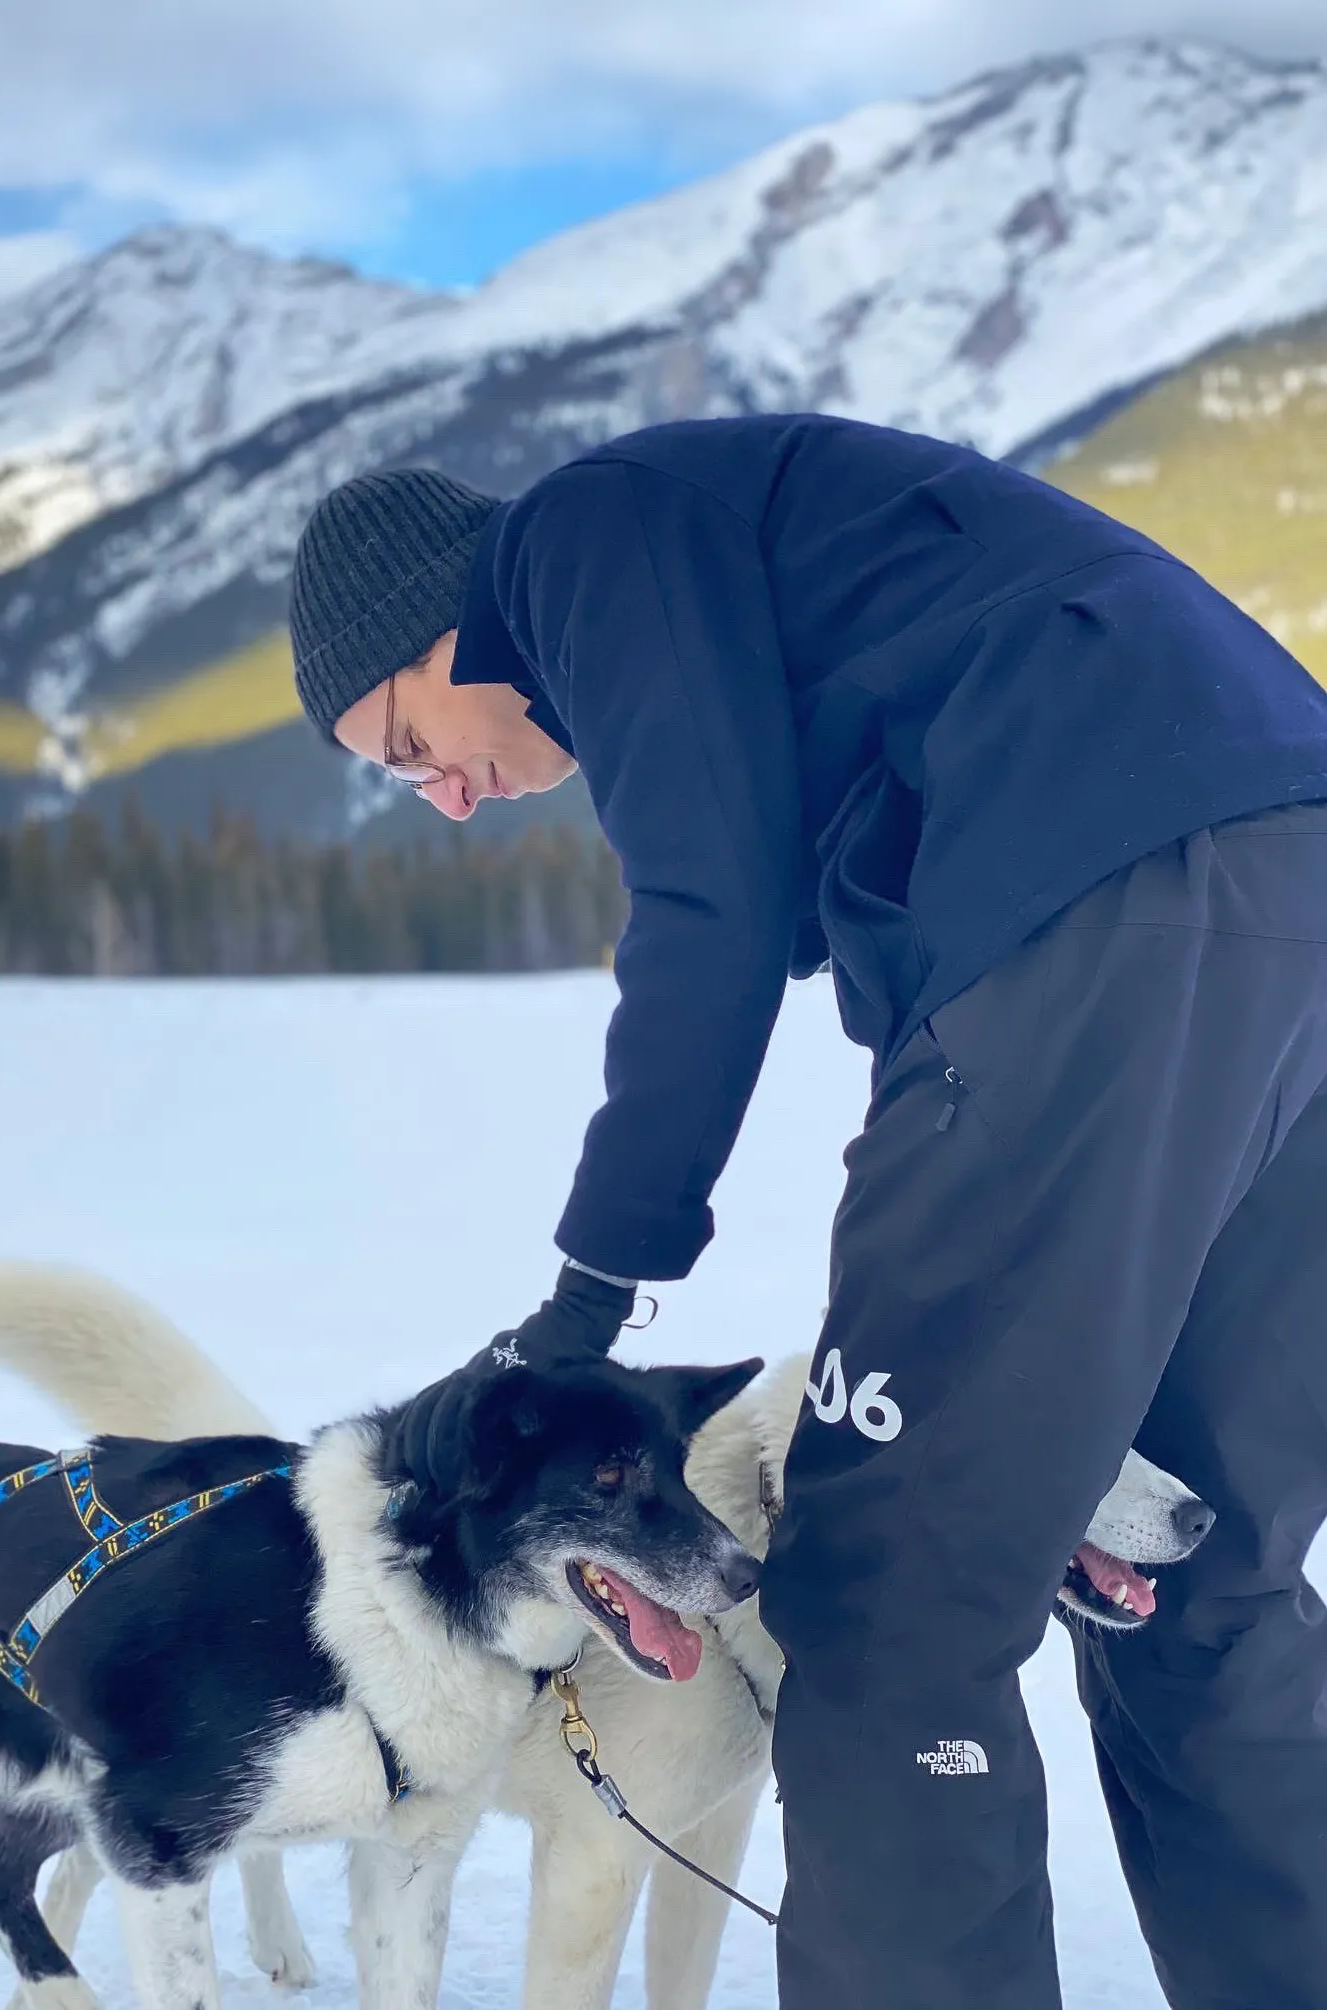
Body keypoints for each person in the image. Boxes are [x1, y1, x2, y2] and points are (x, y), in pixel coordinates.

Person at [287, 413, 1327, 2010]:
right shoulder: (755, 561)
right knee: (1204, 1577)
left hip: (1095, 902)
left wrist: (590, 1293)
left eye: (408, 741)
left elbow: (707, 902)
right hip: (1291, 885)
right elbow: (780, 875)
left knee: (889, 1587)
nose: (443, 797)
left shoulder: (573, 539)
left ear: (446, 620)